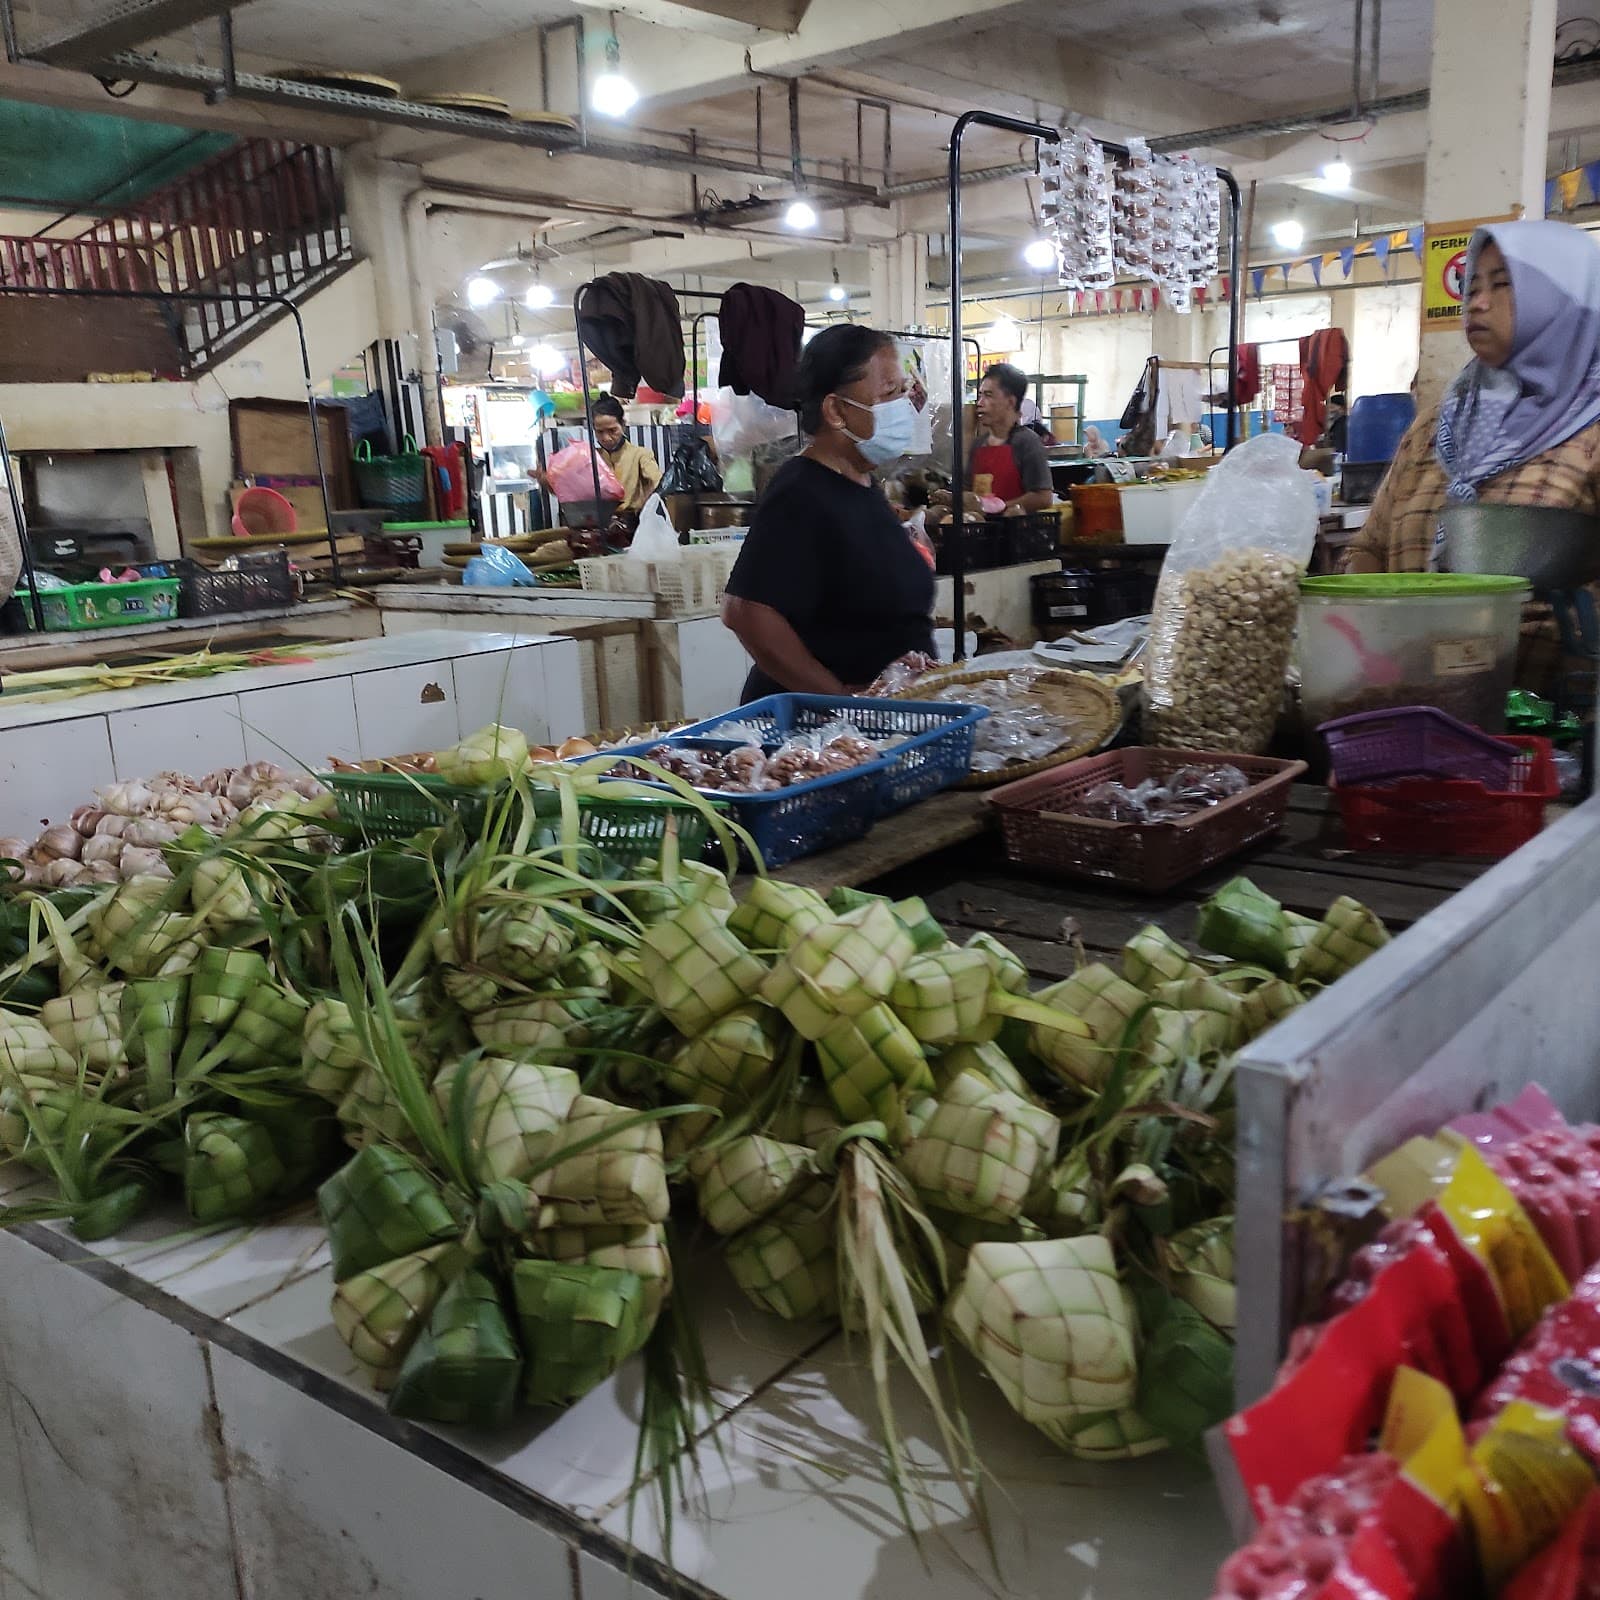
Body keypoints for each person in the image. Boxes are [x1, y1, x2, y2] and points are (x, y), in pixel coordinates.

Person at [1347, 221, 1600, 574]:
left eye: (1501, 284)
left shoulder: (1590, 430)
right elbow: (1371, 547)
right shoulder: (1436, 427)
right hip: (1404, 629)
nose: (1477, 304)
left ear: (1561, 299)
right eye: (1472, 287)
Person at [721, 323, 935, 701]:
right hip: (821, 734)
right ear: (836, 410)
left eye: (904, 390)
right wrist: (838, 697)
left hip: (886, 718)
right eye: (889, 393)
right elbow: (747, 612)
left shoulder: (862, 485)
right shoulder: (800, 491)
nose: (903, 406)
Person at [965, 363, 1054, 515]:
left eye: (988, 395)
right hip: (981, 531)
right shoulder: (978, 445)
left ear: (1010, 402)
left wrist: (999, 508)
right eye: (980, 395)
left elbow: (1043, 497)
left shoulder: (1027, 442)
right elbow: (967, 491)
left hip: (1016, 533)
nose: (979, 403)